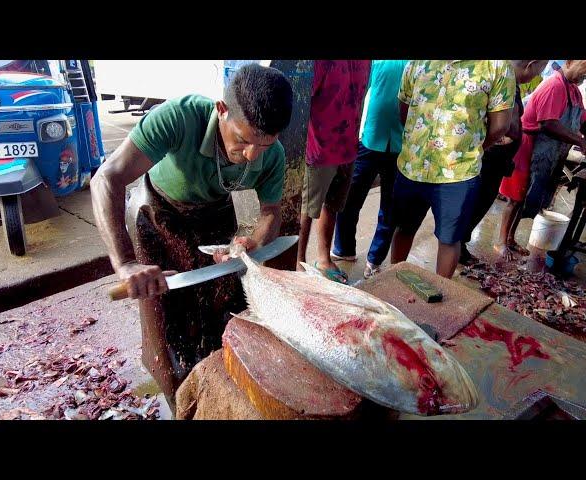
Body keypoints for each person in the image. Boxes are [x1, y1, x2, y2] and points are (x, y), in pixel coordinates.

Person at [91, 64, 293, 410]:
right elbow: (106, 179)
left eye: (263, 145)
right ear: (221, 110)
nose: (250, 156)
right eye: (242, 140)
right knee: (166, 333)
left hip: (214, 214)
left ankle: (211, 399)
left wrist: (254, 242)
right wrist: (125, 263)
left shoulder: (270, 154)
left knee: (219, 319)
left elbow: (271, 212)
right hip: (157, 213)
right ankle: (176, 400)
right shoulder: (180, 117)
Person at [390, 60, 515, 278]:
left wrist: (469, 147)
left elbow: (500, 126)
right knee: (404, 228)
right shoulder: (417, 62)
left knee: (449, 238)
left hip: (458, 173)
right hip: (412, 166)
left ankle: (440, 292)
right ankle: (394, 279)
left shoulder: (496, 67)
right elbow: (404, 110)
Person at [459, 60, 548, 265]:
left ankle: (459, 244)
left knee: (481, 202)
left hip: (497, 157)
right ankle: (457, 246)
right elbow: (506, 125)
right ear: (530, 64)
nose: (535, 77)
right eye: (537, 72)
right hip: (490, 156)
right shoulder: (503, 79)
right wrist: (488, 145)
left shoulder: (510, 83)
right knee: (477, 202)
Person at [497, 60, 586, 260]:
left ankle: (511, 239)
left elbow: (581, 119)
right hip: (529, 146)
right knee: (515, 198)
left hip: (547, 152)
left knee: (526, 198)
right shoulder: (554, 85)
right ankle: (501, 242)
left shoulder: (574, 91)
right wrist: (579, 140)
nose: (584, 76)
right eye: (584, 69)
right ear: (570, 62)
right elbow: (548, 124)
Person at [331, 60, 407, 278]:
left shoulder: (418, 64)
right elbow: (361, 93)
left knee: (390, 208)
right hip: (369, 138)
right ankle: (344, 249)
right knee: (349, 198)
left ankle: (375, 260)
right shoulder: (376, 60)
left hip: (401, 145)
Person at [296, 60, 370, 283]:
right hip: (318, 150)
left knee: (333, 205)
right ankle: (298, 263)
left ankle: (323, 257)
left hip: (348, 147)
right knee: (307, 210)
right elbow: (301, 102)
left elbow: (360, 97)